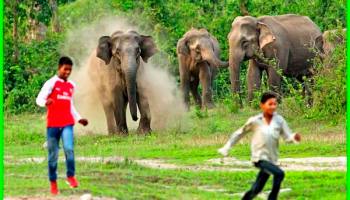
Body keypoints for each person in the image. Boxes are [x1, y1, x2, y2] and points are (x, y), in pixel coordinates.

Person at [218, 92, 301, 200]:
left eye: (275, 104)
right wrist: (227, 146)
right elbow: (239, 133)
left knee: (256, 189)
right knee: (279, 174)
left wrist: (294, 137)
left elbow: (287, 137)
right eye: (270, 104)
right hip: (259, 158)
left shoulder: (279, 120)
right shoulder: (255, 121)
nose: (273, 107)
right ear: (262, 105)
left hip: (272, 159)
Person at [36, 56, 88, 195]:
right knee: (53, 155)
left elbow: (70, 105)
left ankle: (70, 176)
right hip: (53, 124)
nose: (67, 72)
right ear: (59, 68)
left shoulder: (71, 86)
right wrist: (45, 102)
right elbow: (39, 99)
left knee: (69, 149)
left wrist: (79, 118)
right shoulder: (51, 83)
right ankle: (53, 183)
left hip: (67, 123)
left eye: (70, 70)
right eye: (65, 69)